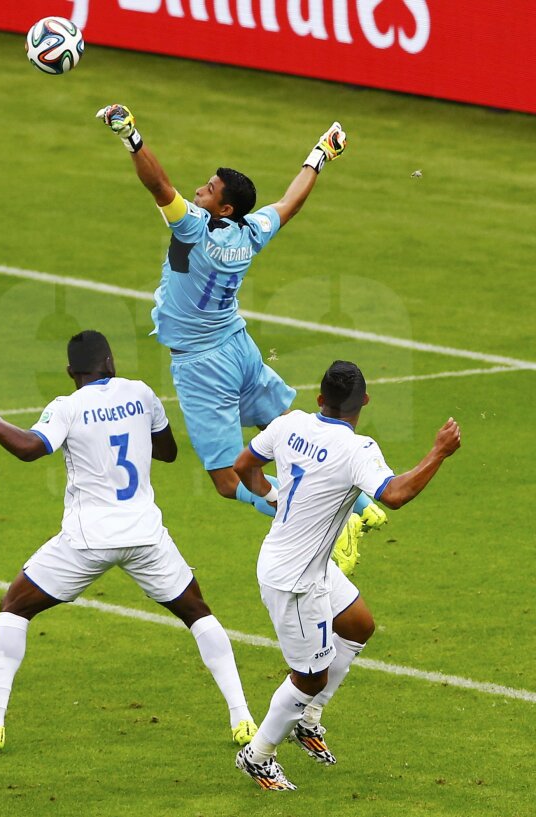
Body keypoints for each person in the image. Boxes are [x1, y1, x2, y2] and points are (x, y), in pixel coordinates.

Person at [95, 105, 386, 575]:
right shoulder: (248, 233)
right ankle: (362, 507)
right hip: (239, 347)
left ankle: (328, 529)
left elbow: (157, 185)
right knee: (296, 436)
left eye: (208, 189)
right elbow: (290, 202)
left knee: (228, 480)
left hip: (202, 364)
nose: (197, 191)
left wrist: (131, 135)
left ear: (223, 207)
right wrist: (319, 155)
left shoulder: (193, 227)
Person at [0, 330, 257, 752]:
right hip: (145, 535)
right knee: (196, 613)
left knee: (14, 607)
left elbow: (28, 448)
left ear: (70, 372)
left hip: (87, 539)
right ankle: (243, 719)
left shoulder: (67, 407)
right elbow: (167, 452)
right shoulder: (141, 393)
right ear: (110, 362)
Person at [231, 360, 461, 790]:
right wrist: (438, 453)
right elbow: (394, 495)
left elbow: (244, 465)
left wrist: (274, 497)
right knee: (310, 675)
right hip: (295, 580)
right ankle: (258, 755)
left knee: (357, 625)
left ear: (320, 398)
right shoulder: (357, 450)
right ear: (365, 402)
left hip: (301, 563)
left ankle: (308, 720)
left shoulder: (289, 424)